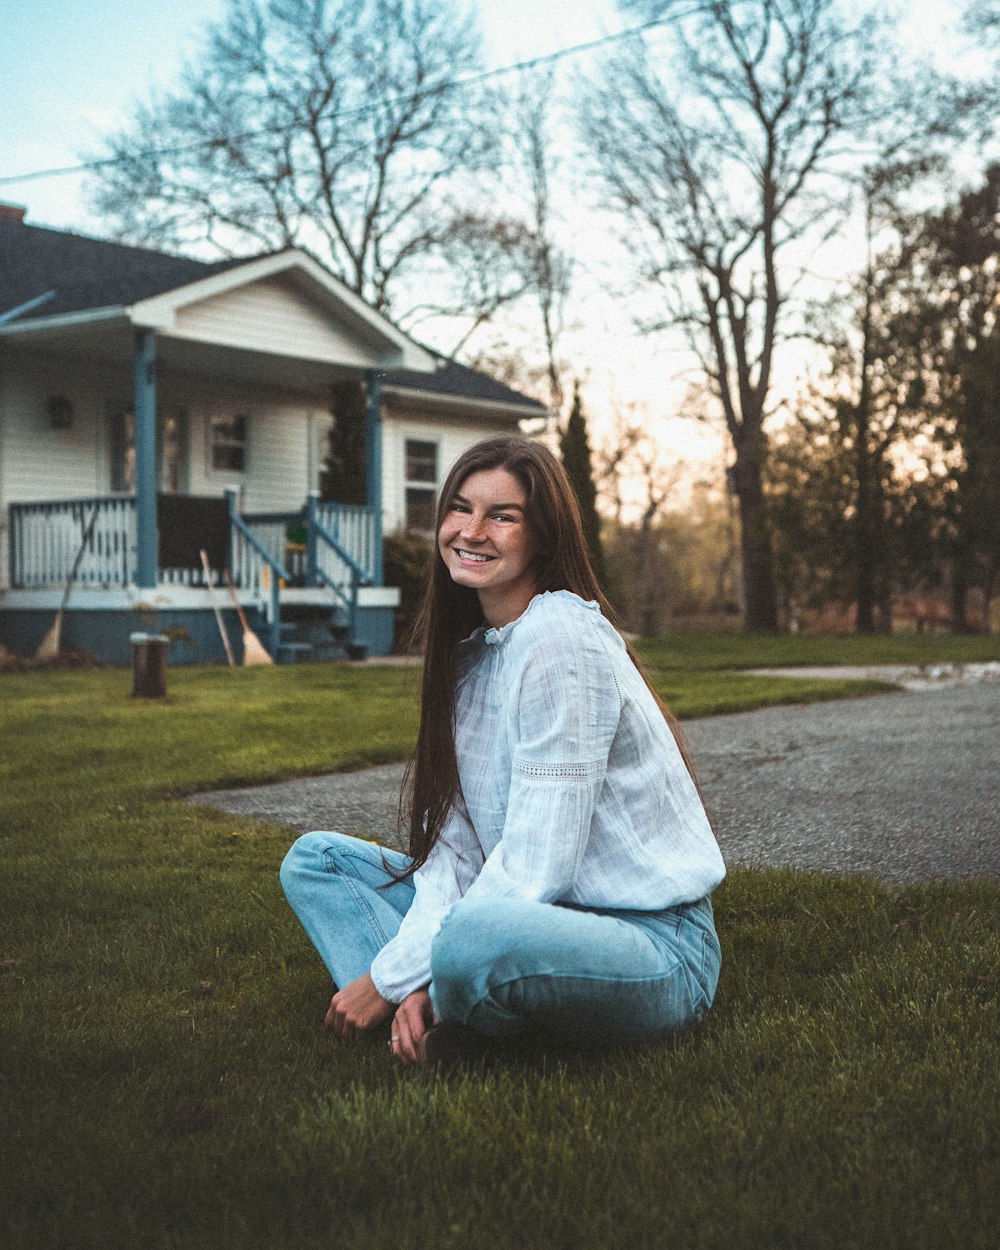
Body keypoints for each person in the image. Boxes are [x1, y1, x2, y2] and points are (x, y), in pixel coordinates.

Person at [280, 435, 726, 1068]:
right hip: (527, 924)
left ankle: (446, 1009)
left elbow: (538, 862)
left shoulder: (561, 639)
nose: (471, 531)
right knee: (316, 861)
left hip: (650, 946)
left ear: (542, 536)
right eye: (460, 508)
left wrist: (390, 976)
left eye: (503, 516)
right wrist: (406, 972)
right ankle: (437, 1014)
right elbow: (455, 856)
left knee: (471, 936)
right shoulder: (476, 659)